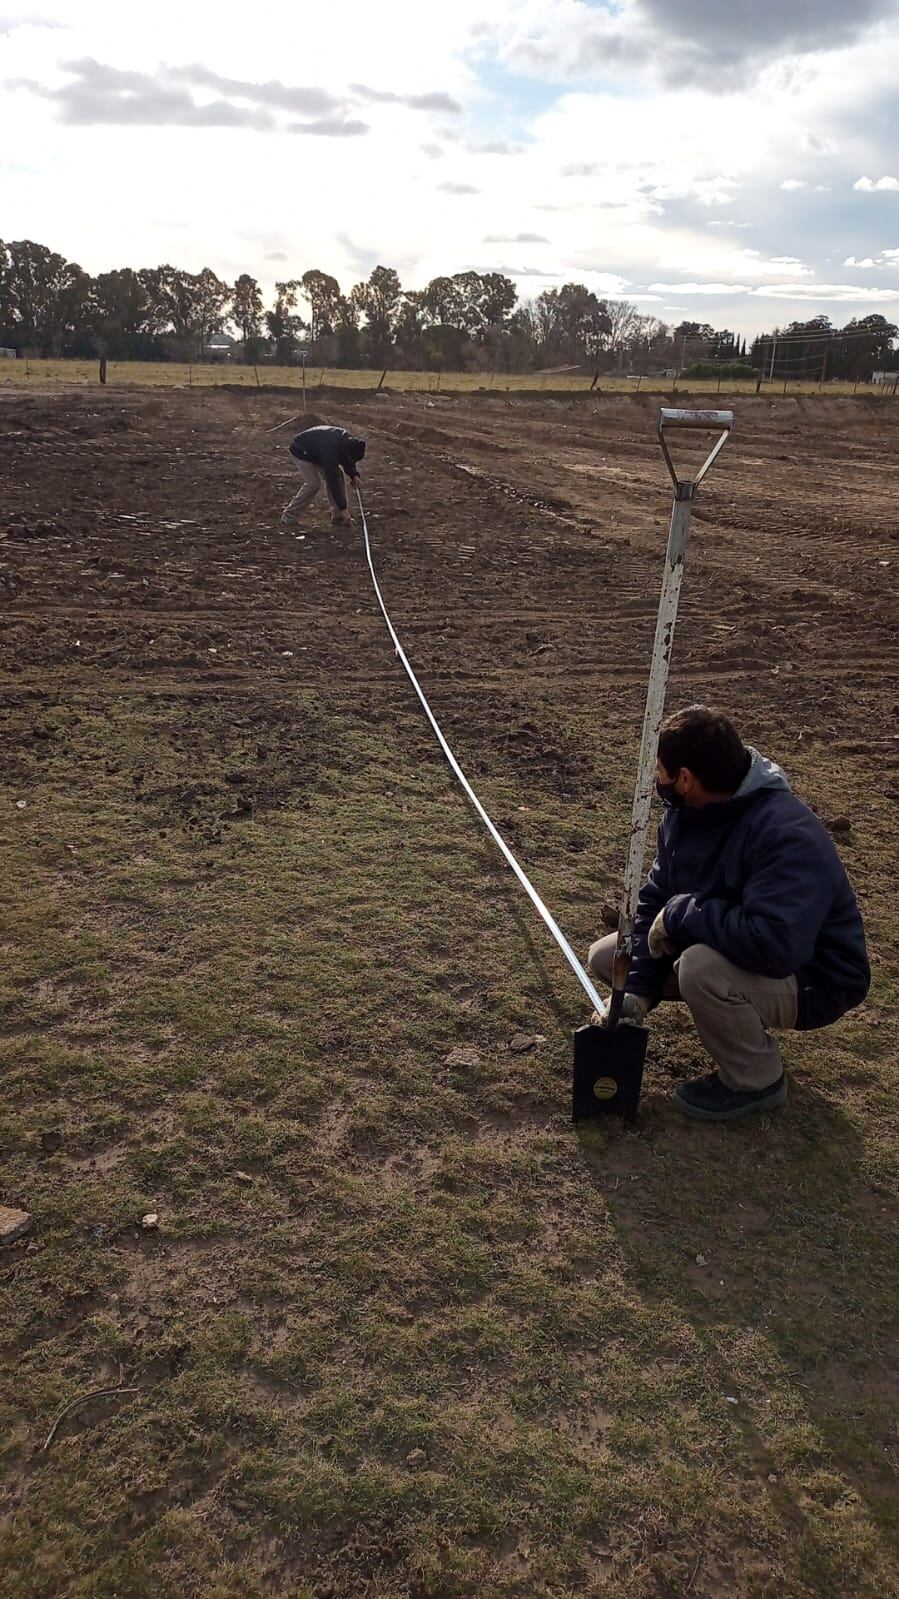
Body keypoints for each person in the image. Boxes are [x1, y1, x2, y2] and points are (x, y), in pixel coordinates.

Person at [588, 706, 870, 1123]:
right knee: (610, 957)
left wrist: (684, 914)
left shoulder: (785, 834)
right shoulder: (687, 814)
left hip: (815, 976)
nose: (657, 781)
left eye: (662, 772)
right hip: (741, 941)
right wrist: (638, 992)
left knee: (700, 970)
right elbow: (656, 896)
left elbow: (775, 946)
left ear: (686, 778)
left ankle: (757, 1079)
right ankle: (717, 1008)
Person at [281, 425, 366, 530]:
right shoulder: (331, 448)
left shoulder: (349, 442)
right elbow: (332, 480)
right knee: (313, 484)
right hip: (301, 450)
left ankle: (339, 517)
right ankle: (289, 516)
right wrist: (344, 509)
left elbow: (348, 460)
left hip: (317, 452)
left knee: (338, 475)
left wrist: (354, 475)